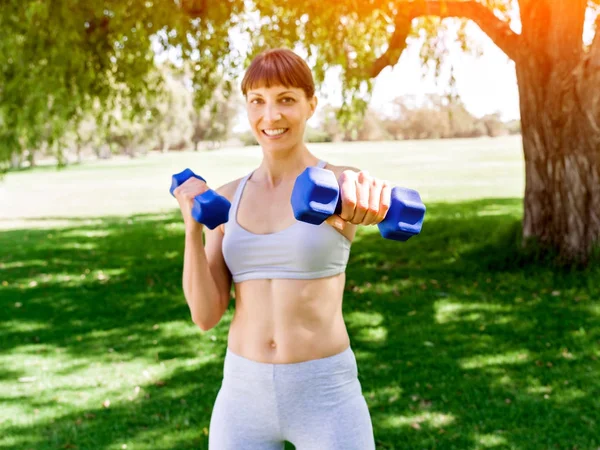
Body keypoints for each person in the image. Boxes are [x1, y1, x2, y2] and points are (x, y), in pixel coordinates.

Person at [173, 48, 392, 450]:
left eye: (286, 100)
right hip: (243, 395)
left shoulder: (340, 186)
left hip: (325, 394)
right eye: (257, 101)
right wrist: (192, 228)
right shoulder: (228, 199)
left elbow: (371, 196)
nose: (270, 116)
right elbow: (205, 316)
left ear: (311, 104)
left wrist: (372, 201)